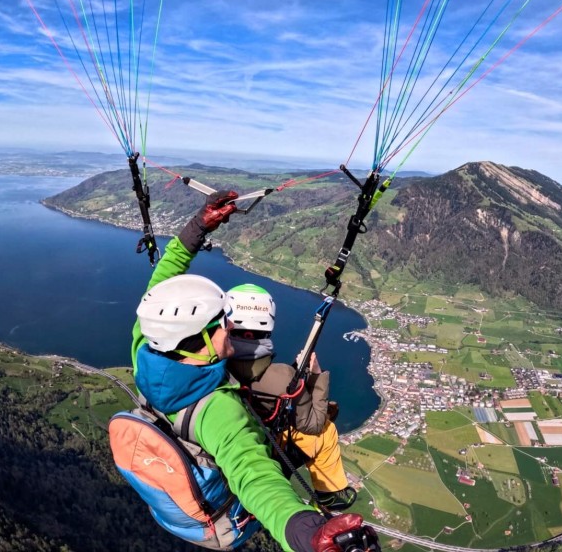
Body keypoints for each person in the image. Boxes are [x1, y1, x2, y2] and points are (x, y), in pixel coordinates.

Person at [131, 191, 377, 552]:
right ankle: (331, 494)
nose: (230, 327)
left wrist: (198, 226)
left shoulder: (146, 347)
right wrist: (309, 535)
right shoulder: (217, 411)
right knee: (318, 436)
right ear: (199, 335)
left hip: (171, 481)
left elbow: (159, 288)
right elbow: (256, 478)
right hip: (222, 509)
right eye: (222, 324)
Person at [224, 284, 357, 510]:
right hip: (267, 451)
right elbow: (312, 424)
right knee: (325, 431)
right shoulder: (284, 376)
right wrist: (316, 375)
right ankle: (329, 494)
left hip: (228, 445)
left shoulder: (214, 364)